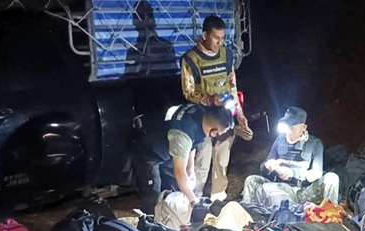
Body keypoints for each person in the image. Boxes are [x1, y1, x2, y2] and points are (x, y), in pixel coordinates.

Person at [181, 15, 251, 202]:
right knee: (201, 161)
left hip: (225, 118)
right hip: (203, 120)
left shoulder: (226, 54)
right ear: (205, 35)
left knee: (222, 160)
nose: (220, 42)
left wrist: (240, 114)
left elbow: (232, 86)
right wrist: (209, 99)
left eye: (223, 38)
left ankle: (217, 199)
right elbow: (188, 92)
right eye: (216, 38)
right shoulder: (190, 59)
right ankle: (194, 200)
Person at [139, 103, 234, 210]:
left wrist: (190, 168)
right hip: (151, 153)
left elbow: (193, 143)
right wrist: (194, 201)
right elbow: (179, 171)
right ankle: (149, 216)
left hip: (171, 151)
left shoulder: (201, 113)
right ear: (213, 130)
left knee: (175, 191)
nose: (217, 136)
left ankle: (170, 213)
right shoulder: (183, 134)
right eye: (217, 134)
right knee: (153, 195)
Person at [242, 106, 340, 204]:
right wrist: (267, 166)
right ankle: (249, 212)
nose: (289, 131)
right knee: (251, 180)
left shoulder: (315, 143)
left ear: (304, 127)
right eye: (287, 127)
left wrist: (293, 173)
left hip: (302, 192)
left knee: (332, 178)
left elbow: (316, 173)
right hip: (278, 188)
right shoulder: (280, 140)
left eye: (293, 128)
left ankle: (331, 212)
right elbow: (264, 167)